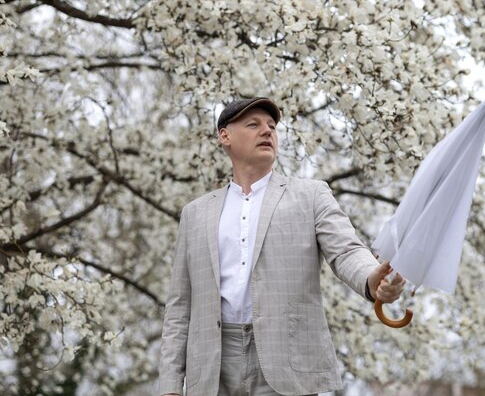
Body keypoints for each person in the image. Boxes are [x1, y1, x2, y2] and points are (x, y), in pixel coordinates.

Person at [158, 97, 405, 396]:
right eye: (253, 124)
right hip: (211, 369)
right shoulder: (195, 213)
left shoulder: (311, 195)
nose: (267, 131)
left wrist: (371, 278)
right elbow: (179, 306)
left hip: (287, 362)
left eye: (272, 126)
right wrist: (170, 386)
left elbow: (346, 251)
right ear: (225, 136)